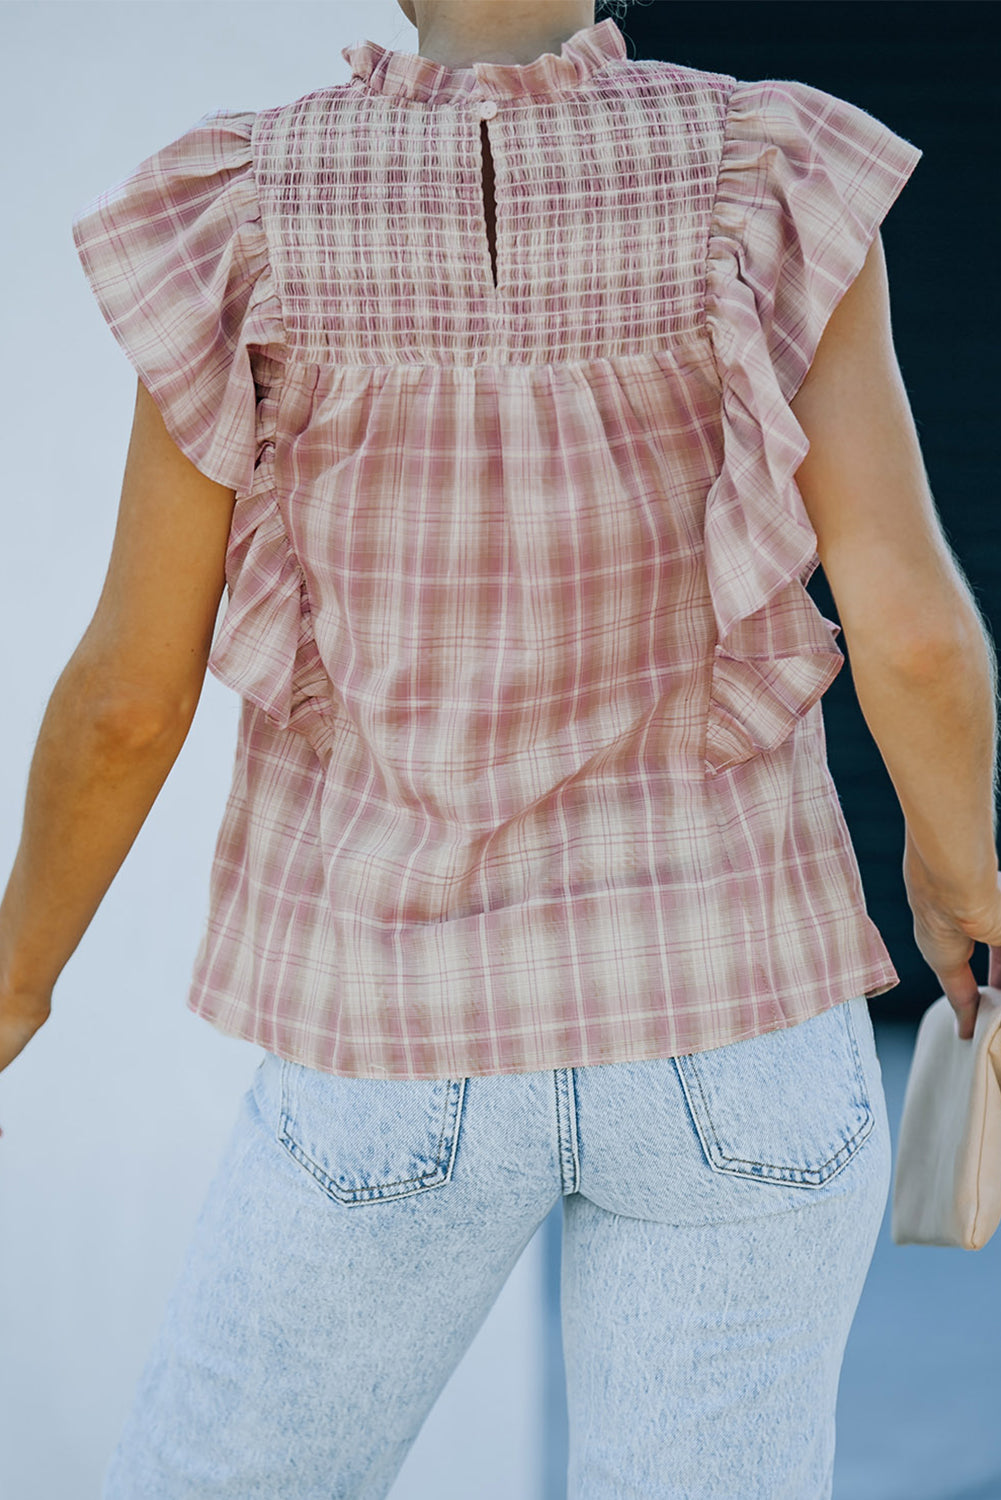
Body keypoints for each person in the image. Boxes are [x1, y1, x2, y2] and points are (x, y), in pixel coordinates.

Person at [1, 0, 998, 1494]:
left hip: (388, 1028)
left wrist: (18, 975)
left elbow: (127, 701)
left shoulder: (247, 213)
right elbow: (912, 634)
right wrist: (957, 878)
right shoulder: (760, 167)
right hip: (740, 1012)